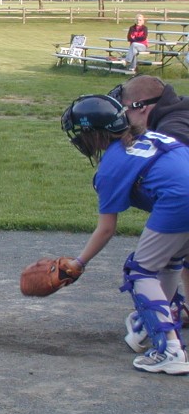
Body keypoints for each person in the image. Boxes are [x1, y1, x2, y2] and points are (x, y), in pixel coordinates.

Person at [60, 93, 189, 374]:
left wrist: (78, 263)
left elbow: (106, 229)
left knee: (140, 271)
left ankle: (170, 350)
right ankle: (148, 327)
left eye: (81, 132)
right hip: (181, 197)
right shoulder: (152, 137)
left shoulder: (112, 166)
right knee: (168, 262)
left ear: (93, 134)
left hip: (180, 200)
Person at [113, 75, 189, 333]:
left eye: (126, 109)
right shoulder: (181, 110)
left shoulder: (171, 128)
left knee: (145, 268)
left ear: (141, 107)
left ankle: (161, 340)